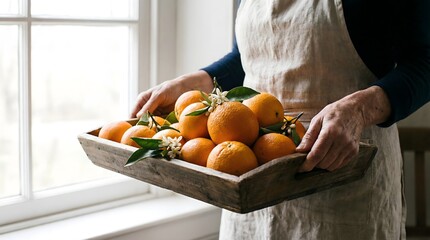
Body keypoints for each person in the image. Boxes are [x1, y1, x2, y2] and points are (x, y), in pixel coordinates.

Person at [131, 0, 430, 239]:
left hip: (343, 184)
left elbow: (425, 61)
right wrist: (197, 81)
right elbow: (249, 58)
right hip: (251, 184)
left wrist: (361, 108)